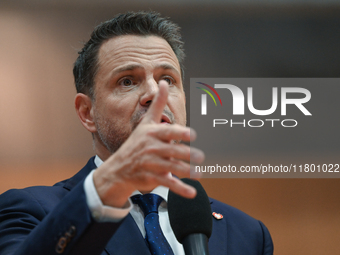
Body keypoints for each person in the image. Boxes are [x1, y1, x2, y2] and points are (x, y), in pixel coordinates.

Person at [0, 11, 273, 255]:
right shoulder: (34, 211)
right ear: (87, 112)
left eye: (167, 79)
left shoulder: (247, 234)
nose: (155, 93)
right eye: (127, 81)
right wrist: (112, 185)